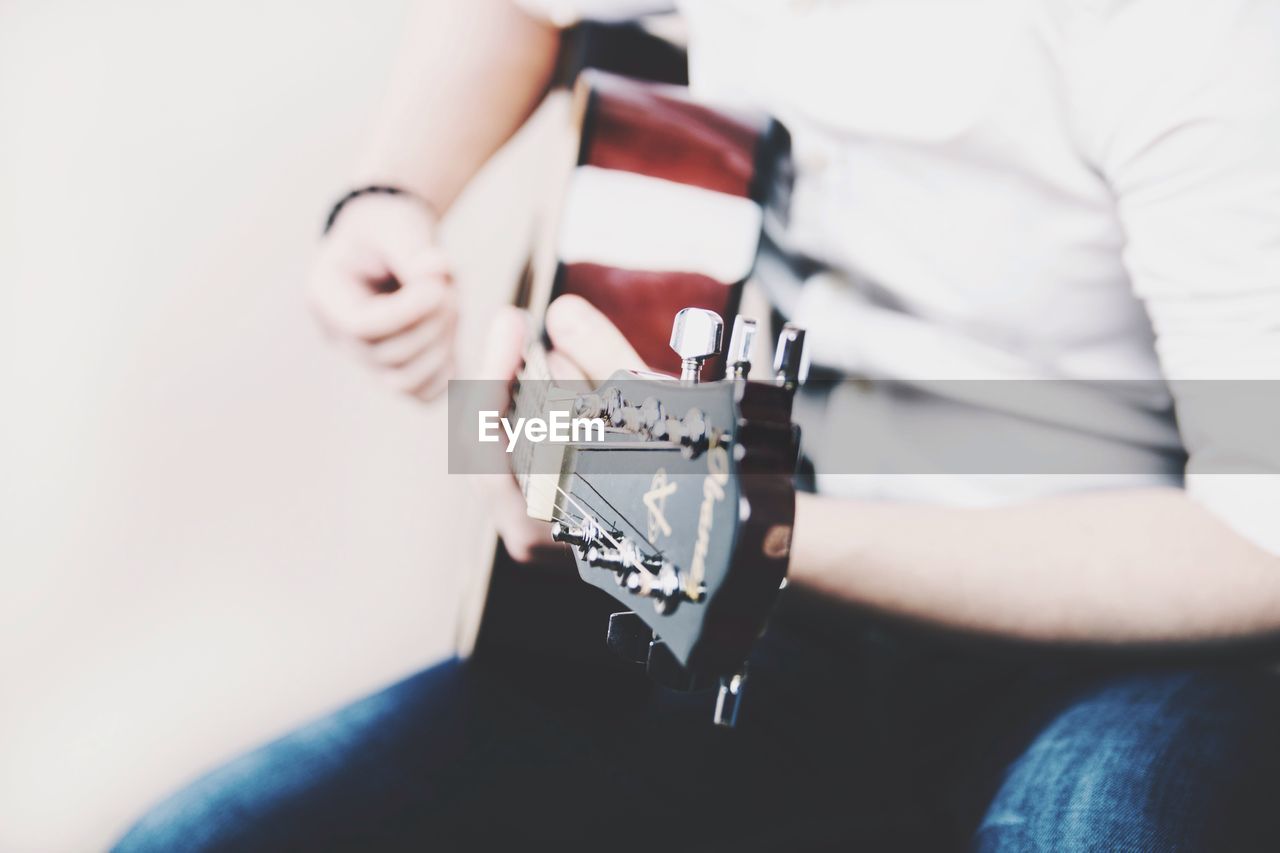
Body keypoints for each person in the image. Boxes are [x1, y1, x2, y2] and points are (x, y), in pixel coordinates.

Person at [117, 0, 1280, 849]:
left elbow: (1260, 539)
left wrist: (736, 528)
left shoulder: (1184, 38)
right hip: (784, 598)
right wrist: (390, 196)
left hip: (1158, 639)